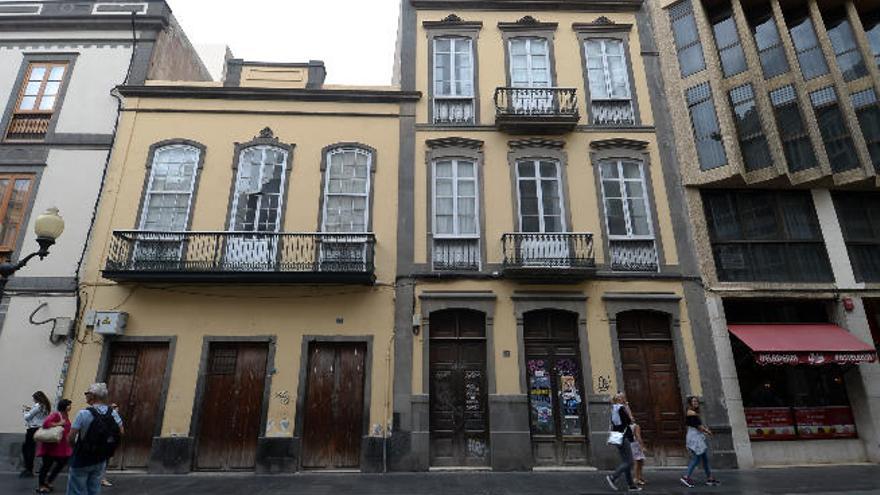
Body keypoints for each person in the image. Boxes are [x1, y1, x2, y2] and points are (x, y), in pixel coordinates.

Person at [66, 383, 123, 495]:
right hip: (101, 458)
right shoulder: (113, 413)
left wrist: (75, 447)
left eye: (87, 393)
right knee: (94, 489)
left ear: (92, 395)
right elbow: (121, 432)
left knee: (77, 490)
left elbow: (71, 437)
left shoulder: (83, 414)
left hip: (82, 458)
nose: (86, 395)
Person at [680, 396, 720, 488]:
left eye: (696, 401)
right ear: (690, 403)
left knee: (704, 458)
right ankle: (686, 477)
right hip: (694, 437)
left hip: (696, 436)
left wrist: (704, 430)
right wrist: (707, 431)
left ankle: (709, 478)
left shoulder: (693, 412)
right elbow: (698, 426)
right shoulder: (691, 413)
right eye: (693, 401)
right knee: (696, 458)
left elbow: (698, 426)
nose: (696, 402)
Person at [605, 392, 641, 492]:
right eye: (623, 397)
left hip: (618, 437)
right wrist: (628, 410)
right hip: (623, 437)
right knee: (629, 462)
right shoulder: (621, 409)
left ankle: (631, 485)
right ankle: (613, 477)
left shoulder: (614, 409)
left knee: (626, 461)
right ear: (620, 399)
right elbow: (630, 421)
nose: (625, 398)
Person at [36, 399, 73, 494]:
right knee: (46, 466)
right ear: (64, 406)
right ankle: (41, 486)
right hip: (51, 446)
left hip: (60, 447)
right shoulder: (56, 414)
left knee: (62, 462)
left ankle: (48, 481)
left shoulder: (66, 415)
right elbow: (45, 424)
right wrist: (59, 424)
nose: (70, 407)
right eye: (69, 405)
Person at [21, 391, 51, 478]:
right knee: (32, 448)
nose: (33, 400)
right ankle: (31, 468)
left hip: (33, 429)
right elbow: (38, 415)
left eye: (34, 398)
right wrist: (30, 409)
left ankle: (29, 469)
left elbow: (27, 417)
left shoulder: (38, 406)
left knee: (28, 449)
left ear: (37, 398)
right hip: (40, 428)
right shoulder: (45, 406)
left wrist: (24, 411)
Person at [630, 421, 647, 486]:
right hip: (636, 444)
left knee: (639, 461)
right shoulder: (636, 426)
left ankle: (639, 478)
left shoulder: (627, 426)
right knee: (638, 462)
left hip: (631, 444)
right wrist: (642, 446)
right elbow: (638, 436)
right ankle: (636, 479)